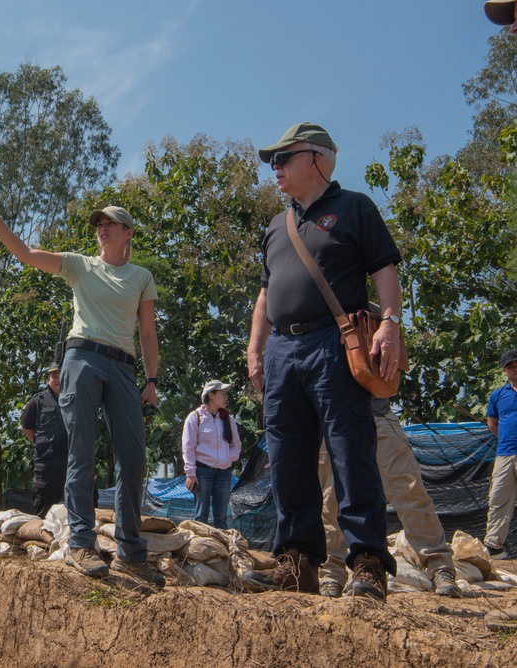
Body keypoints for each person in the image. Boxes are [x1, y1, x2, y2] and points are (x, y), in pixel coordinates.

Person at [0, 198, 163, 588]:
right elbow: (27, 254)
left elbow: (148, 333)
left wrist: (151, 382)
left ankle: (131, 553)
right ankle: (81, 544)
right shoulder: (80, 265)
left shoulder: (141, 277)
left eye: (112, 223)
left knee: (133, 459)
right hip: (82, 357)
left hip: (122, 366)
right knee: (82, 450)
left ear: (128, 232)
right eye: (99, 223)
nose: (102, 227)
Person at [242, 122, 402, 601]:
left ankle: (368, 564)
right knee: (287, 459)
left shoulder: (355, 207)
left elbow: (384, 269)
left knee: (351, 453)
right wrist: (255, 348)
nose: (275, 168)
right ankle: (296, 564)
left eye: (283, 158)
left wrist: (391, 323)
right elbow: (266, 293)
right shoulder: (277, 224)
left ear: (316, 159)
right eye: (273, 161)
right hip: (283, 352)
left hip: (337, 345)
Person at [317, 401, 460, 598]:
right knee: (331, 502)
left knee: (409, 491)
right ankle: (330, 576)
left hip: (376, 413)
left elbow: (399, 370)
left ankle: (440, 568)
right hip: (330, 419)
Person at [182, 380, 241, 530]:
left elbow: (236, 445)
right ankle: (199, 551)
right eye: (222, 394)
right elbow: (188, 447)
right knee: (201, 516)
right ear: (211, 395)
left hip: (224, 473)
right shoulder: (195, 417)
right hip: (202, 471)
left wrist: (228, 458)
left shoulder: (228, 419)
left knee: (221, 518)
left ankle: (221, 551)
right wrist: (190, 473)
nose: (226, 397)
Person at [22, 362, 69, 518]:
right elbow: (27, 428)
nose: (58, 379)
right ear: (48, 378)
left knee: (85, 509)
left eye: (62, 374)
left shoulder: (76, 399)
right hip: (47, 468)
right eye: (54, 375)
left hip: (74, 465)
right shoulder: (38, 401)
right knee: (44, 514)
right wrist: (41, 444)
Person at [484, 349, 517, 559]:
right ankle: (494, 548)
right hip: (505, 454)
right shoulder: (498, 395)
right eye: (510, 366)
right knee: (498, 499)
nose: (515, 369)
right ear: (504, 371)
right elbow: (492, 424)